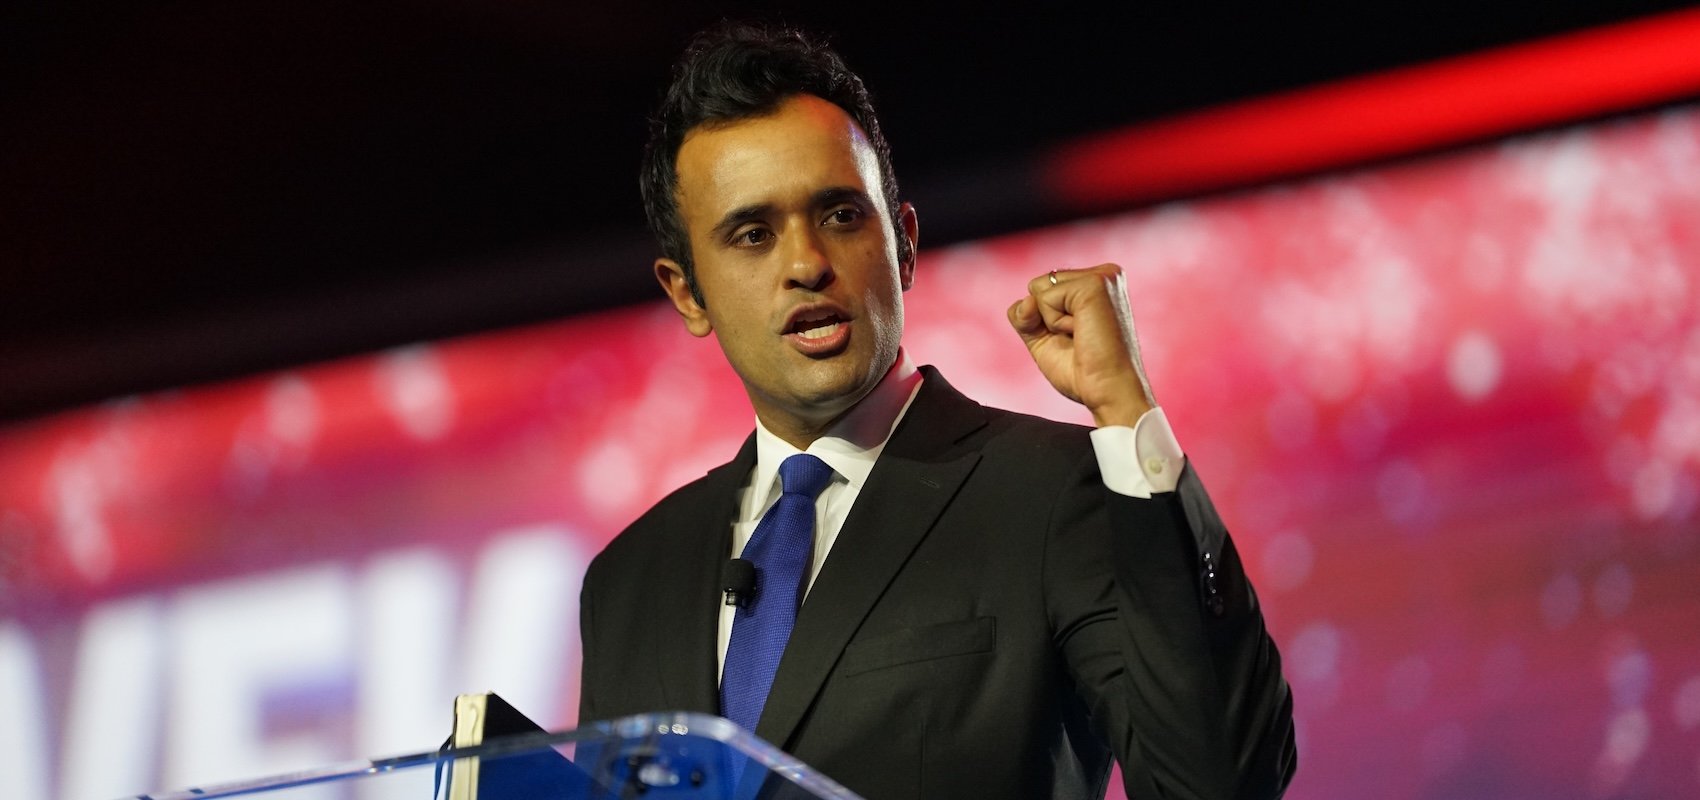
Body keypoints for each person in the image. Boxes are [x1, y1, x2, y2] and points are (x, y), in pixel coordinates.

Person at [578, 22, 1296, 800]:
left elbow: (1218, 778)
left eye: (841, 215)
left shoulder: (1049, 492)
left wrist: (1127, 413)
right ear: (687, 293)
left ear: (906, 244)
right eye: (753, 235)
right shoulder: (629, 580)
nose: (807, 264)